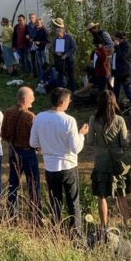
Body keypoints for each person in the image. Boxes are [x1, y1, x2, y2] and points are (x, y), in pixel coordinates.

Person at [29, 88, 88, 237]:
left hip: (50, 166)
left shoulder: (40, 117)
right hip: (68, 166)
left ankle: (57, 233)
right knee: (73, 203)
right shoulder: (68, 120)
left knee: (55, 201)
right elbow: (76, 148)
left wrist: (46, 148)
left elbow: (33, 142)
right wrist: (81, 135)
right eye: (68, 100)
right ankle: (76, 235)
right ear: (62, 102)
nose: (70, 102)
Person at [86, 90, 131, 230]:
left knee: (102, 195)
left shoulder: (94, 119)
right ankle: (127, 224)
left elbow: (90, 141)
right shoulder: (120, 120)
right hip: (118, 160)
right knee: (121, 194)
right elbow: (125, 143)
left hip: (101, 160)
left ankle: (104, 225)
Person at [2, 86, 40, 220]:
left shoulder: (7, 113)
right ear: (25, 99)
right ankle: (36, 216)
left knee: (13, 183)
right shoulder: (30, 117)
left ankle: (12, 214)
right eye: (32, 97)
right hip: (28, 153)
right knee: (33, 185)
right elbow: (36, 139)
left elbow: (4, 134)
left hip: (13, 152)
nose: (33, 99)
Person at [51, 18, 77, 92]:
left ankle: (73, 90)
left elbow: (74, 48)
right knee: (60, 75)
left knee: (70, 75)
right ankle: (61, 90)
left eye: (58, 32)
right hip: (59, 60)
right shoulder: (55, 38)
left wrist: (66, 54)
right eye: (56, 32)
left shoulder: (69, 37)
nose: (57, 34)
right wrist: (56, 52)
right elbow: (52, 47)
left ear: (62, 31)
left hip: (68, 59)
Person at [112, 32, 131, 104]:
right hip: (118, 71)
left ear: (119, 38)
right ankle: (115, 106)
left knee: (127, 91)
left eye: (116, 38)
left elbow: (122, 57)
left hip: (125, 72)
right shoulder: (119, 46)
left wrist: (117, 47)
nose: (114, 40)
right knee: (115, 91)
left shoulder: (127, 46)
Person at [26, 13, 40, 77]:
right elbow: (27, 33)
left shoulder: (37, 25)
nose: (31, 19)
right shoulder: (28, 26)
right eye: (30, 18)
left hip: (36, 44)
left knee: (38, 59)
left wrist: (31, 37)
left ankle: (39, 73)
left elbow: (37, 34)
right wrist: (28, 37)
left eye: (32, 18)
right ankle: (35, 73)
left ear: (35, 18)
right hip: (31, 44)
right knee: (32, 59)